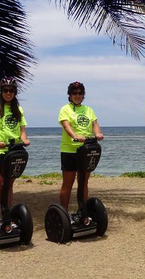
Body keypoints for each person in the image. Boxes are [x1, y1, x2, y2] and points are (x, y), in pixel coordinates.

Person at [0, 77, 30, 231]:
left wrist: (25, 140)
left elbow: (22, 131)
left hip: (14, 150)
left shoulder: (19, 110)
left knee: (10, 183)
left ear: (15, 92)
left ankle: (6, 217)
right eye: (5, 90)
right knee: (0, 183)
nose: (8, 93)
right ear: (1, 92)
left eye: (11, 90)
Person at [58, 81, 103, 219]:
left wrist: (98, 133)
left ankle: (82, 211)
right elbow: (67, 126)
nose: (77, 95)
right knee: (68, 183)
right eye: (74, 93)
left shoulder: (88, 110)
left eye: (80, 93)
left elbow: (95, 124)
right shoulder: (65, 109)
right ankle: (64, 213)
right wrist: (75, 136)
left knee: (83, 182)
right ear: (69, 95)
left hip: (86, 151)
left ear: (83, 95)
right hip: (70, 151)